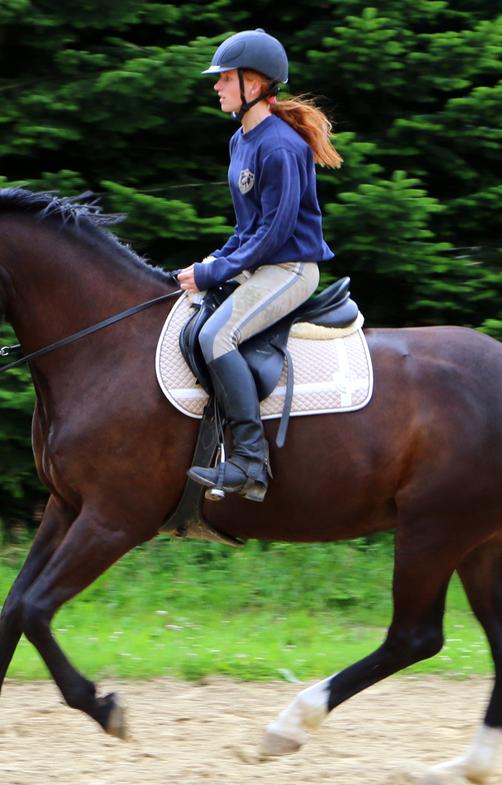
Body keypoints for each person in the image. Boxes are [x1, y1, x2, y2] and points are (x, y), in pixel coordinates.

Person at [177, 28, 342, 502]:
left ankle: (250, 462)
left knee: (217, 335)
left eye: (224, 78)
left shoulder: (280, 146)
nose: (216, 86)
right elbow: (248, 225)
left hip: (290, 268)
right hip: (262, 262)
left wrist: (217, 270)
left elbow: (275, 232)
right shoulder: (241, 141)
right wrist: (214, 260)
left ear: (255, 83)